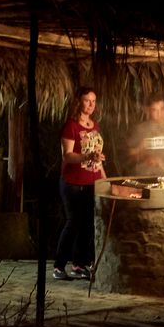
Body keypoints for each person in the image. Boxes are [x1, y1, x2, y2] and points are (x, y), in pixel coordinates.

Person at [55, 85, 107, 281]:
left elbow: (97, 158)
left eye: (94, 101)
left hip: (91, 182)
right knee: (73, 222)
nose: (91, 104)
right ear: (79, 102)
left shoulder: (95, 126)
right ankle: (59, 266)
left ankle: (79, 264)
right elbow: (67, 156)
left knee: (87, 225)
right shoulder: (71, 126)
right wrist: (87, 155)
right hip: (72, 182)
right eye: (87, 100)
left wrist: (104, 180)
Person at [128, 94, 164, 175]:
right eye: (155, 110)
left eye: (162, 109)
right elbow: (130, 154)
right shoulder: (141, 130)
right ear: (148, 111)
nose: (159, 113)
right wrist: (143, 155)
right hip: (146, 176)